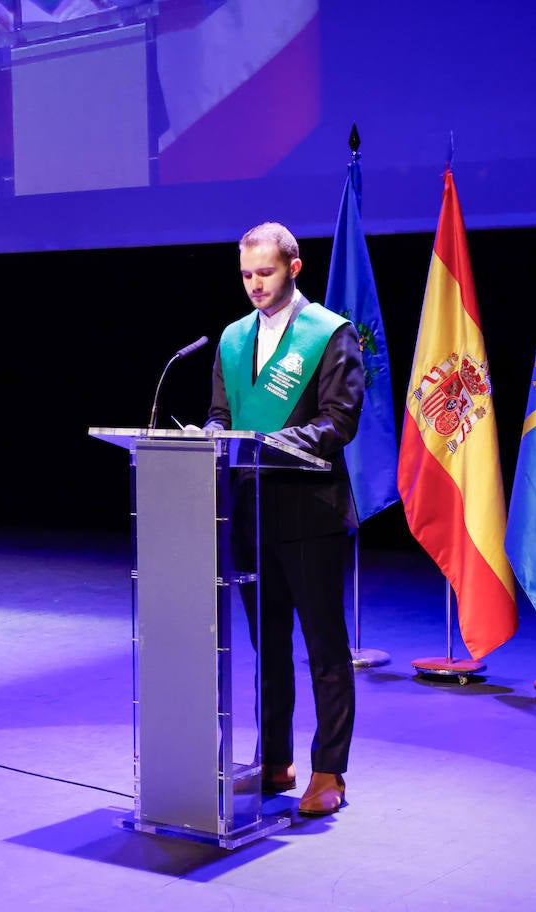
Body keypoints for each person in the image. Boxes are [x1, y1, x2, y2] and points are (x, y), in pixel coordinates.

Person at [202, 221, 364, 818]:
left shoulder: (330, 334)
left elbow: (338, 422)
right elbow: (221, 414)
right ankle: (275, 759)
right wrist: (209, 437)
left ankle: (329, 772)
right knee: (267, 645)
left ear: (293, 268)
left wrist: (271, 442)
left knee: (325, 647)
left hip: (310, 513)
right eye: (245, 274)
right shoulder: (232, 338)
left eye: (264, 273)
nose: (254, 285)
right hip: (249, 513)